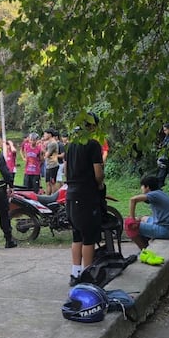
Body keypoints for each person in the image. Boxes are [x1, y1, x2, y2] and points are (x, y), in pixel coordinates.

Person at [64, 113, 105, 286]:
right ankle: (88, 275)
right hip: (86, 195)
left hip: (71, 194)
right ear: (92, 126)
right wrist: (100, 184)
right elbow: (98, 172)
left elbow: (65, 171)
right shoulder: (93, 145)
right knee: (88, 236)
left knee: (77, 236)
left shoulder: (70, 146)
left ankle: (75, 273)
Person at [127, 175, 169, 250]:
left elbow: (133, 200)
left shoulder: (153, 194)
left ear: (147, 187)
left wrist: (132, 219)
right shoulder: (160, 193)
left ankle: (144, 250)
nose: (141, 188)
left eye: (142, 186)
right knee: (143, 218)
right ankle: (147, 244)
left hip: (166, 230)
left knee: (129, 226)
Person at [43, 128, 60, 194]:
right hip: (49, 165)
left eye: (45, 133)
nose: (44, 135)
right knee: (48, 183)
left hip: (53, 165)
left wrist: (42, 148)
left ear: (49, 134)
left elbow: (46, 155)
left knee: (52, 183)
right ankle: (48, 199)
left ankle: (53, 198)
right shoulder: (49, 143)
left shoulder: (52, 143)